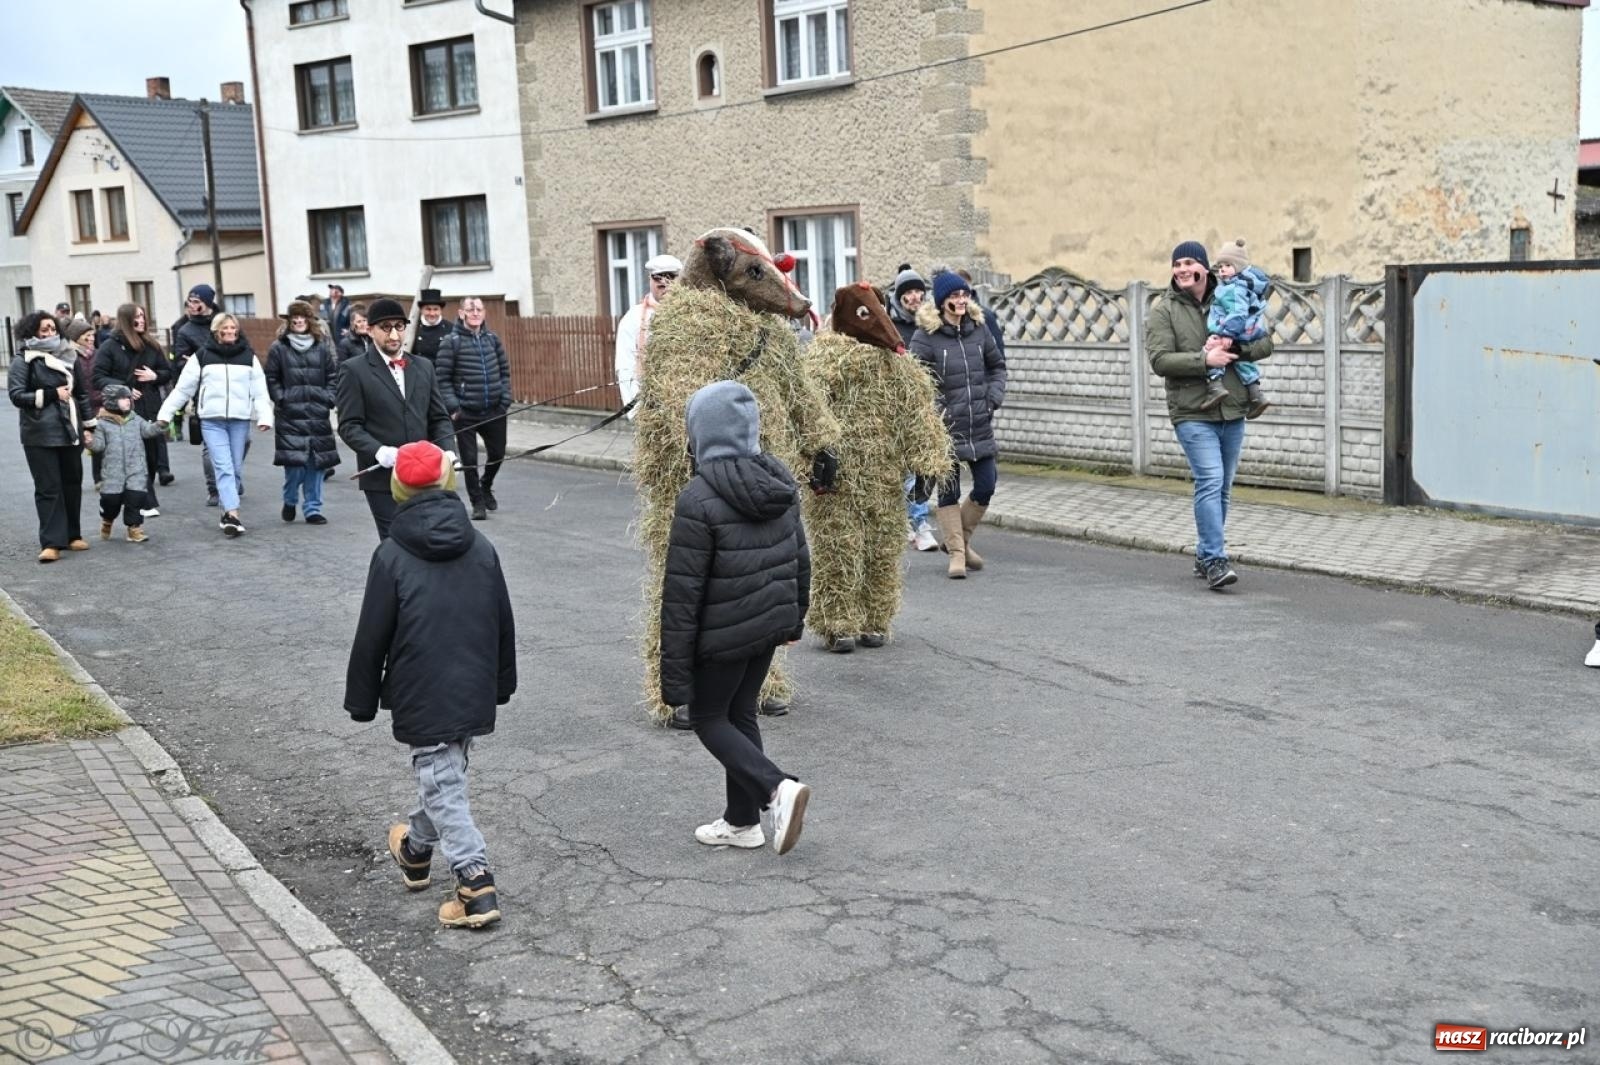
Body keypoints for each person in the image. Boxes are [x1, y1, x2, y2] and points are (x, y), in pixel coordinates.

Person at [345, 439, 516, 929]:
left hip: (420, 685)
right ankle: (415, 851)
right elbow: (501, 620)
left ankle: (475, 882)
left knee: (443, 782)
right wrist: (501, 682)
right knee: (445, 778)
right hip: (474, 680)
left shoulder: (392, 554)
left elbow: (371, 632)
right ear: (448, 480)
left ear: (398, 487)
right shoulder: (480, 546)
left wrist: (362, 698)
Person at [659, 381, 812, 855]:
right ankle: (742, 822)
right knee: (741, 711)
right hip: (767, 624)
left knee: (708, 717)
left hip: (720, 636)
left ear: (700, 433)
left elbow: (682, 595)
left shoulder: (698, 497)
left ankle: (775, 788)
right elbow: (799, 557)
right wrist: (794, 619)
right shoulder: (779, 479)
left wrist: (673, 675)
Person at [1146, 240, 1275, 590]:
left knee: (1223, 488)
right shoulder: (1164, 310)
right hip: (1192, 410)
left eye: (1189, 262)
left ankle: (1205, 555)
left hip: (1232, 408)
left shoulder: (1231, 293)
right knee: (1210, 480)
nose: (1182, 269)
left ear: (1205, 267)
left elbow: (1265, 343)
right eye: (1177, 264)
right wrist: (1205, 361)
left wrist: (1235, 347)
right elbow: (1159, 360)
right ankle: (1217, 560)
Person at [911, 270, 1007, 579]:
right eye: (954, 296)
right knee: (948, 490)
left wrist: (992, 397)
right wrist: (936, 412)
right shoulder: (925, 336)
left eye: (964, 294)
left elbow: (997, 366)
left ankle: (961, 542)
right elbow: (917, 383)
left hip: (979, 421)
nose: (961, 299)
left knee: (986, 484)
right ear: (942, 303)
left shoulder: (979, 329)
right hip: (945, 427)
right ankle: (956, 555)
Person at [336, 297, 455, 540]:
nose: (393, 335)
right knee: (396, 543)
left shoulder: (423, 367)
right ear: (370, 330)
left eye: (399, 327)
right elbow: (349, 426)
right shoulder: (353, 370)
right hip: (383, 479)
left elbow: (439, 417)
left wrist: (448, 450)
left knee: (428, 541)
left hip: (425, 475)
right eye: (385, 327)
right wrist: (380, 451)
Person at [157, 313, 273, 538]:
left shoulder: (249, 357)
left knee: (235, 469)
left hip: (239, 420)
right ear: (216, 331)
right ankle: (233, 514)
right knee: (224, 467)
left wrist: (264, 416)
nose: (230, 331)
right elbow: (183, 389)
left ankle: (227, 510)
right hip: (212, 421)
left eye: (233, 328)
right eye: (225, 328)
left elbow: (260, 390)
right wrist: (166, 415)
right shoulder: (202, 356)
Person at [9, 312, 94, 562]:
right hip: (39, 434)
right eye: (42, 330)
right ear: (31, 332)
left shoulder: (69, 354)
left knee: (71, 483)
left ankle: (72, 535)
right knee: (48, 488)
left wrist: (89, 426)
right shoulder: (23, 360)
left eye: (51, 329)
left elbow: (82, 394)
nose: (49, 334)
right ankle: (51, 542)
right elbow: (16, 395)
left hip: (71, 430)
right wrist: (50, 394)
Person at [265, 300, 341, 525]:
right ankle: (289, 500)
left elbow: (332, 376)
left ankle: (312, 508)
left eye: (303, 317)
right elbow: (271, 377)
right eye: (294, 318)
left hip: (317, 412)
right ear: (289, 321)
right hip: (290, 414)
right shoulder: (279, 347)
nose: (299, 321)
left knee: (316, 465)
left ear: (310, 320)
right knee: (295, 465)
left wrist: (329, 397)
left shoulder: (321, 346)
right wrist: (281, 398)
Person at [436, 297, 512, 521]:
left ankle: (486, 484)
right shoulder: (451, 342)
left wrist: (504, 400)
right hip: (465, 413)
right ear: (461, 313)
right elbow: (443, 379)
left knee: (497, 454)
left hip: (494, 410)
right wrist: (454, 407)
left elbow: (505, 372)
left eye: (479, 309)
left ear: (484, 313)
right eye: (471, 309)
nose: (475, 313)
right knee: (469, 460)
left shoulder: (492, 340)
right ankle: (477, 502)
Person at [92, 304, 171, 519]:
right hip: (123, 412)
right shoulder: (110, 346)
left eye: (143, 316)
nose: (142, 320)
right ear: (127, 320)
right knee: (136, 456)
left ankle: (136, 495)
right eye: (137, 317)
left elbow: (167, 371)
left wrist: (155, 376)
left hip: (150, 405)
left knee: (153, 455)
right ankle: (144, 500)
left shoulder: (151, 345)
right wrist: (124, 390)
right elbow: (98, 377)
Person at [171, 284, 240, 507]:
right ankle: (214, 487)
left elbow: (242, 348)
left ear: (207, 302)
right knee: (210, 445)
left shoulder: (224, 323)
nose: (192, 306)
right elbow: (180, 361)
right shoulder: (184, 330)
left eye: (196, 301)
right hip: (204, 392)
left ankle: (231, 477)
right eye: (189, 301)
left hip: (233, 391)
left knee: (242, 440)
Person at [886, 264, 940, 552]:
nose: (914, 297)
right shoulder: (891, 325)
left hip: (927, 404)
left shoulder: (931, 323)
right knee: (903, 469)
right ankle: (913, 523)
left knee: (922, 467)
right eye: (908, 293)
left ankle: (918, 523)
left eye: (919, 291)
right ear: (900, 297)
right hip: (896, 405)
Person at [1203, 239, 1272, 419]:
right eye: (1220, 266)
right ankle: (1256, 394)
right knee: (1242, 360)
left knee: (1212, 349)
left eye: (1227, 265)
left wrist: (1226, 333)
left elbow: (1238, 313)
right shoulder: (1245, 285)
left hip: (1233, 329)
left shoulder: (1235, 288)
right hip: (1247, 330)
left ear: (1239, 267)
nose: (1222, 270)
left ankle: (1215, 387)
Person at [87, 383, 164, 543]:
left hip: (136, 468)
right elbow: (98, 446)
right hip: (113, 473)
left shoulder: (135, 418)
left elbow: (148, 431)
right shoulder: (101, 423)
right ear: (112, 401)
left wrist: (160, 425)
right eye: (122, 398)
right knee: (111, 501)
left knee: (136, 497)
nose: (127, 401)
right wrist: (89, 441)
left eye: (128, 397)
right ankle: (107, 520)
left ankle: (134, 528)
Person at [614, 254, 682, 416]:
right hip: (650, 406)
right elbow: (625, 366)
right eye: (657, 278)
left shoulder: (693, 314)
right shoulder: (634, 318)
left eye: (670, 277)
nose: (664, 284)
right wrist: (637, 412)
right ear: (650, 280)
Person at [68, 320, 104, 491]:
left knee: (99, 442)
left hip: (98, 405)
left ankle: (100, 478)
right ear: (76, 337)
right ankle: (72, 481)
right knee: (79, 444)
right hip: (78, 407)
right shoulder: (70, 356)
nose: (91, 339)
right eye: (87, 336)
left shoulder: (98, 354)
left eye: (92, 335)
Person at [411, 289, 450, 364]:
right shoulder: (412, 328)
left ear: (441, 310)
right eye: (428, 309)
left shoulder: (450, 328)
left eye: (435, 309)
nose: (432, 313)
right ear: (421, 310)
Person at [338, 304, 374, 370]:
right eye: (359, 321)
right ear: (352, 324)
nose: (363, 324)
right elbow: (342, 368)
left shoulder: (373, 340)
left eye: (365, 320)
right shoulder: (345, 343)